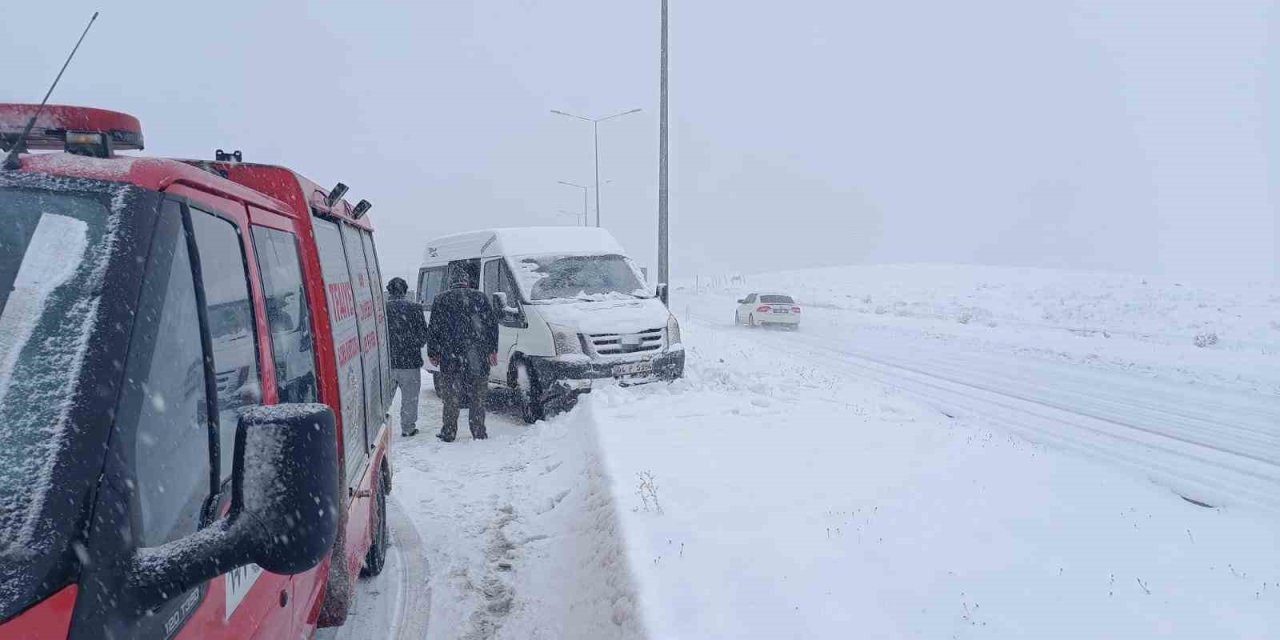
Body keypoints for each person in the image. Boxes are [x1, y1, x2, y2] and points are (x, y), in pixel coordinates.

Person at [427, 268, 499, 442]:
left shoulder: (441, 299)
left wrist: (433, 352)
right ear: (467, 282)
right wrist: (492, 350)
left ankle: (449, 432)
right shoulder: (480, 297)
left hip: (450, 357)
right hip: (477, 357)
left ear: (451, 282)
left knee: (450, 398)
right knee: (477, 398)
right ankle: (478, 432)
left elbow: (433, 328)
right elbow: (492, 326)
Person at [385, 277, 429, 437]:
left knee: (382, 401)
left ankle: (379, 428)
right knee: (410, 398)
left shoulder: (382, 309)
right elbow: (423, 336)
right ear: (404, 291)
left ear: (389, 291)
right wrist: (412, 344)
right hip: (410, 362)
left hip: (387, 363)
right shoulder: (415, 308)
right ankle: (408, 428)